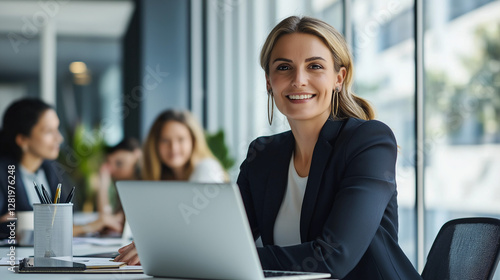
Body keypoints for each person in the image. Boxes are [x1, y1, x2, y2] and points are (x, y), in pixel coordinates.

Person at [115, 16, 421, 279]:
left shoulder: (368, 141)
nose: (299, 80)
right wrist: (163, 247)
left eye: (315, 66)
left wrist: (190, 255)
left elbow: (333, 258)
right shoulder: (264, 154)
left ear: (339, 78)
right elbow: (224, 239)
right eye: (284, 67)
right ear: (268, 82)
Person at [0, 98, 121, 238]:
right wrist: (86, 227)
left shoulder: (52, 170)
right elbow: (14, 230)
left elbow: (65, 218)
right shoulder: (3, 174)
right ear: (22, 140)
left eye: (57, 129)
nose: (59, 138)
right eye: (49, 131)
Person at [141, 109, 226, 182]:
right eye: (165, 140)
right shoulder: (156, 176)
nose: (173, 147)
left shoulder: (207, 169)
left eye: (181, 139)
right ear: (155, 144)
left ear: (193, 141)